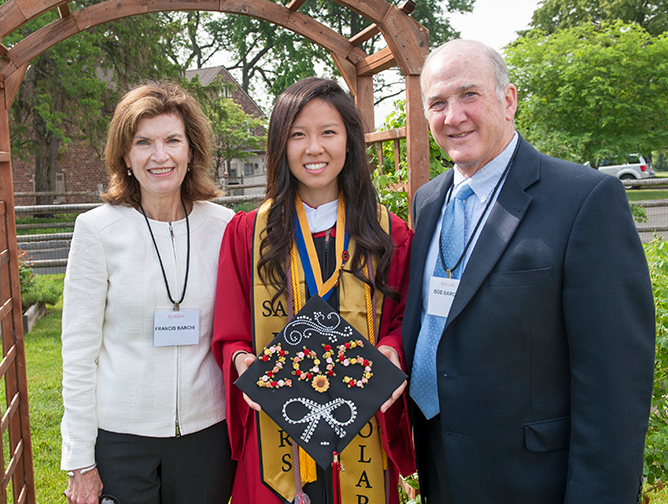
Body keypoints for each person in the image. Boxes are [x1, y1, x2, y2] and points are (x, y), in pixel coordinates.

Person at [402, 39, 656, 503]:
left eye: (468, 95)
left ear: (509, 99)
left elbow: (614, 384)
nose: (453, 116)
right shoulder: (428, 200)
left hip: (534, 479)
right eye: (437, 103)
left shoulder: (584, 200)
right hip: (442, 468)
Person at [212, 77, 415, 503]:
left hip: (360, 420)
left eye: (328, 132)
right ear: (280, 146)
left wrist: (393, 349)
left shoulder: (387, 232)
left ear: (349, 141)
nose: (313, 148)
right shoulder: (248, 234)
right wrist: (243, 360)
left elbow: (401, 322)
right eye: (297, 135)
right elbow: (231, 331)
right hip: (277, 424)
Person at [61, 82, 236, 504]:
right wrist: (81, 460)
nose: (160, 156)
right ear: (125, 155)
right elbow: (79, 352)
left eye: (172, 140)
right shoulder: (97, 230)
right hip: (122, 440)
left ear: (191, 150)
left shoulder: (226, 227)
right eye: (144, 143)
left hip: (206, 436)